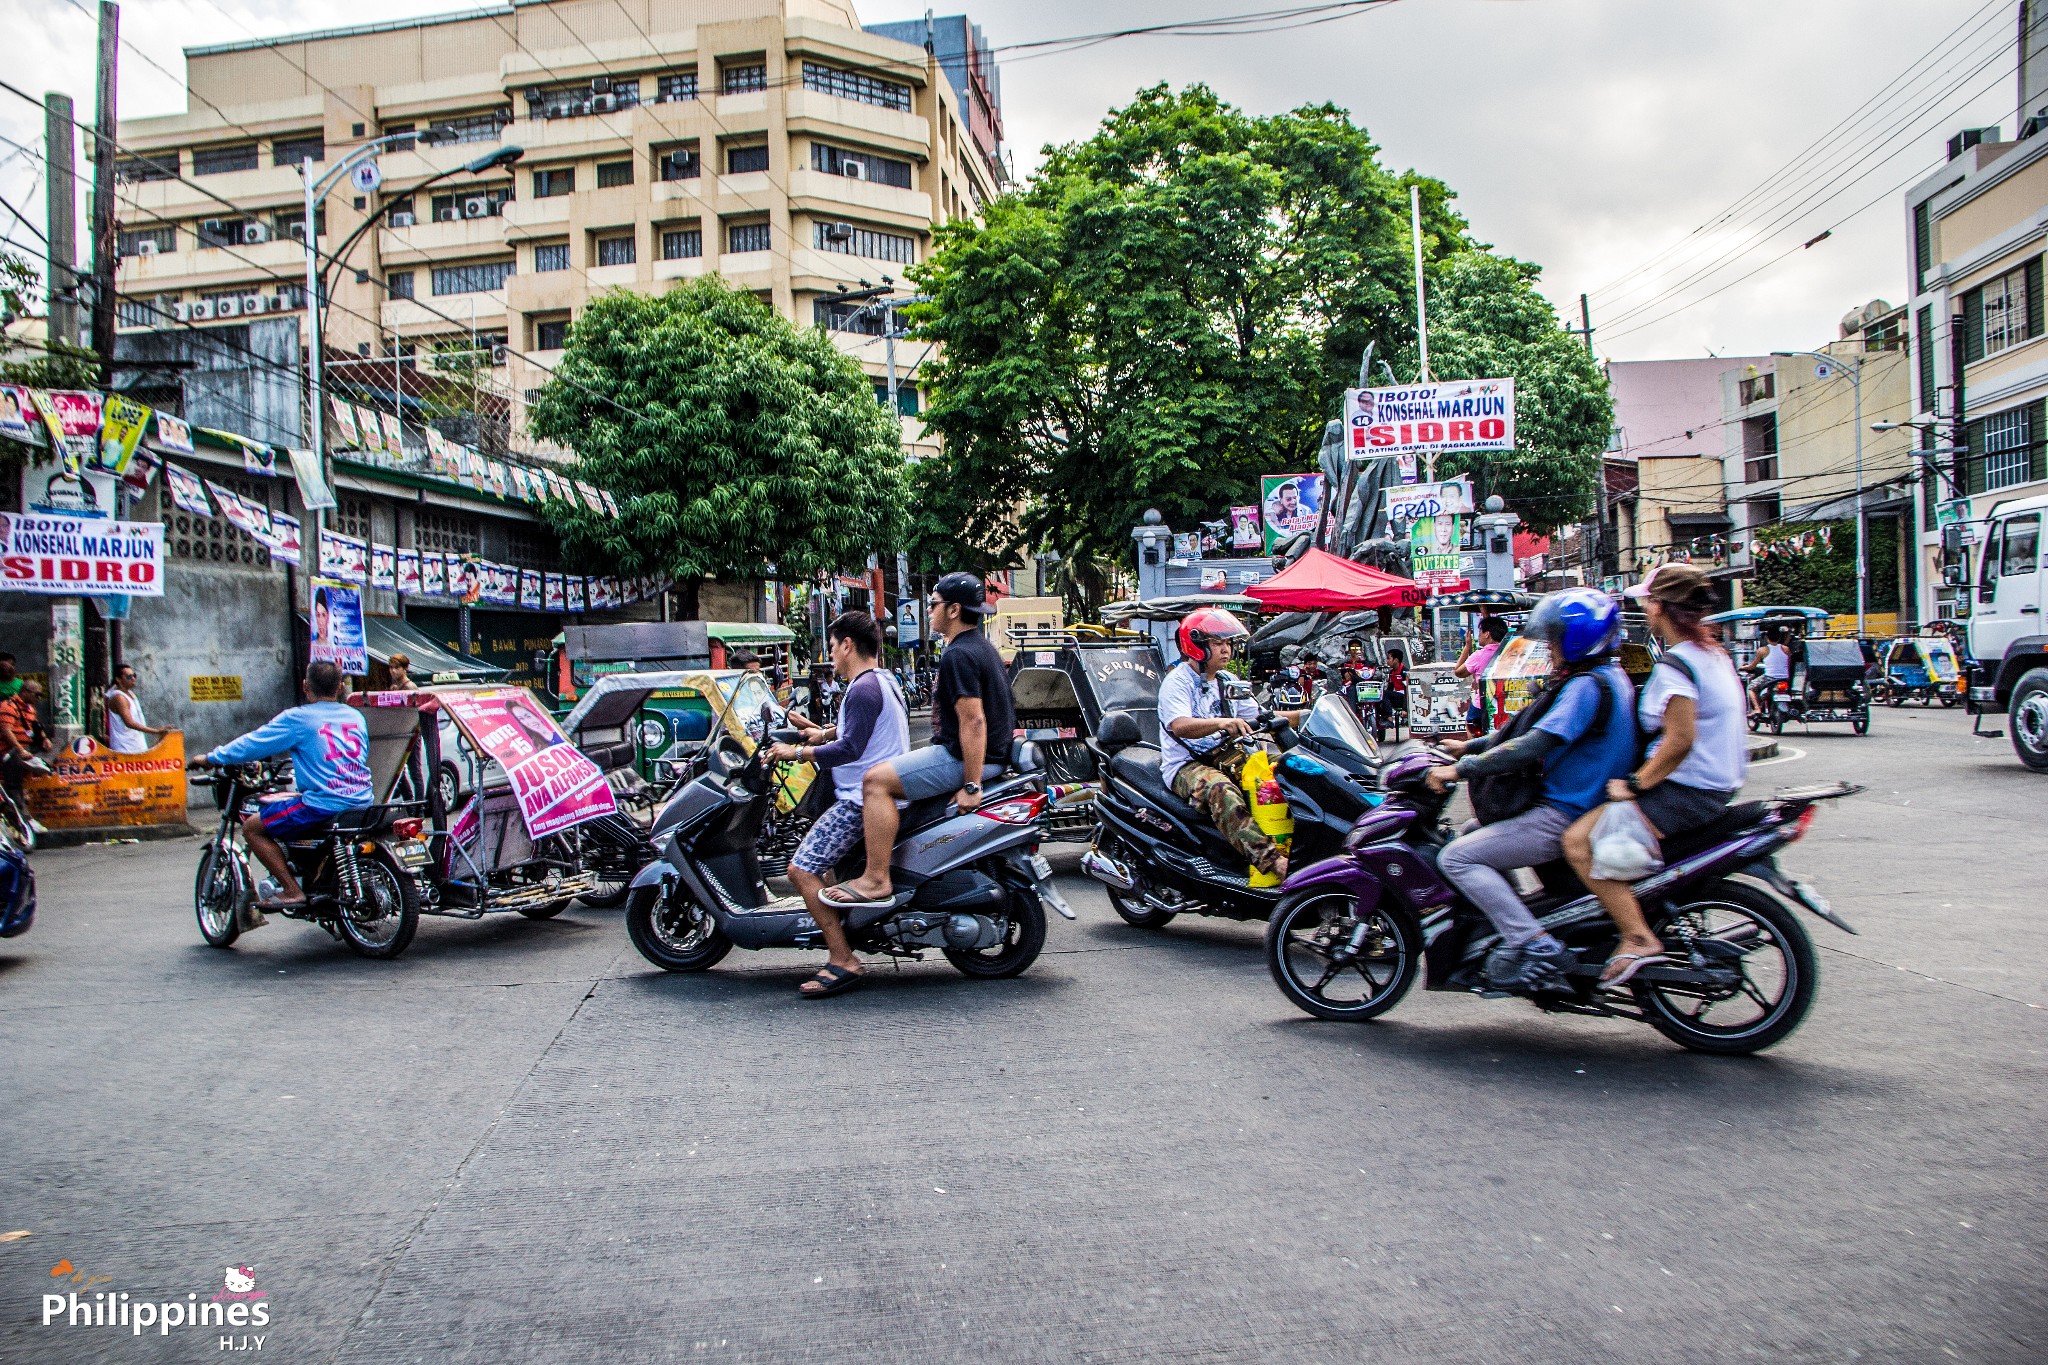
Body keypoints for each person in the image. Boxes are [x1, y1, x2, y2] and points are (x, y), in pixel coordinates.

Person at [1427, 589, 1637, 990]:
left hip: (1563, 813)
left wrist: (1460, 770)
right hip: (1580, 806)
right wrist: (1468, 745)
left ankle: (1534, 943)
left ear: (1577, 639)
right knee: (1473, 832)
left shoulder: (1586, 687)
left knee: (1456, 859)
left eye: (1555, 638)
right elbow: (1521, 728)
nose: (1549, 647)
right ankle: (1518, 920)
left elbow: (1533, 744)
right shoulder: (1605, 677)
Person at [1562, 564, 1750, 987]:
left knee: (1577, 843)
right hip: (1716, 787)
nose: (1644, 608)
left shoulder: (1677, 665)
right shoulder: (1713, 656)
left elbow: (1680, 740)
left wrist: (1634, 785)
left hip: (1685, 791)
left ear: (1661, 608)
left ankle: (1638, 936)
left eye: (1647, 601)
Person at [825, 573, 1014, 906]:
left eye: (933, 604)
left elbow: (973, 721)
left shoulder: (960, 654)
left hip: (967, 760)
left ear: (954, 610)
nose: (928, 610)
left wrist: (971, 785)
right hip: (978, 756)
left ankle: (876, 879)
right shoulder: (980, 648)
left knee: (875, 781)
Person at [766, 611, 909, 998]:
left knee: (801, 870)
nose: (830, 655)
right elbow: (852, 730)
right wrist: (818, 731)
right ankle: (845, 928)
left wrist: (798, 752)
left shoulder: (862, 689)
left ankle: (842, 957)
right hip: (876, 794)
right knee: (825, 869)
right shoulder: (884, 680)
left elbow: (850, 748)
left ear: (847, 644)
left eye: (831, 647)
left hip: (857, 802)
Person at [201, 661, 372, 912]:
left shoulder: (299, 718)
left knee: (253, 828)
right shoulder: (355, 716)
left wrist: (211, 757)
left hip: (323, 804)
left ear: (305, 686)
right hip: (362, 799)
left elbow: (254, 743)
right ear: (341, 687)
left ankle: (292, 890)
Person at [1157, 609, 1304, 881]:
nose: (1226, 650)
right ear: (1197, 645)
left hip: (1227, 756)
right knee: (1221, 790)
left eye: (1228, 644)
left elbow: (1261, 716)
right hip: (1186, 766)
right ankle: (1273, 862)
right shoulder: (1177, 682)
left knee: (1283, 774)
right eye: (1217, 643)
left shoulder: (1228, 682)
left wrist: (1307, 716)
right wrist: (1222, 722)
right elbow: (1179, 725)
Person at [1, 678, 52, 819]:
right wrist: (19, 749)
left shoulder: (30, 708)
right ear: (25, 692)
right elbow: (6, 730)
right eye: (37, 695)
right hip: (9, 752)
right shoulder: (8, 706)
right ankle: (24, 819)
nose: (38, 699)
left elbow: (35, 725)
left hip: (27, 748)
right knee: (14, 786)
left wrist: (44, 738)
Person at [105, 663, 177, 755]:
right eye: (129, 677)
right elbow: (129, 723)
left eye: (134, 676)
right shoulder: (119, 697)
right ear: (118, 679)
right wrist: (156, 731)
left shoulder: (130, 694)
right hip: (124, 749)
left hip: (136, 746)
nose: (133, 679)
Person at [1454, 616, 1509, 733]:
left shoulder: (1479, 655)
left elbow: (1458, 671)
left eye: (1480, 632)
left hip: (1482, 706)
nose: (1478, 635)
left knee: (1471, 727)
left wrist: (1467, 646)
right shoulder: (1510, 651)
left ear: (1487, 634)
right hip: (1507, 704)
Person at [1748, 627, 1791, 717]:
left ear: (1767, 638)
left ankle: (1757, 709)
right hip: (1784, 678)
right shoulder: (1786, 649)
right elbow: (1788, 663)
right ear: (1779, 638)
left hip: (1769, 678)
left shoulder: (1762, 650)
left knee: (1751, 688)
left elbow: (1752, 666)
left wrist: (1743, 667)